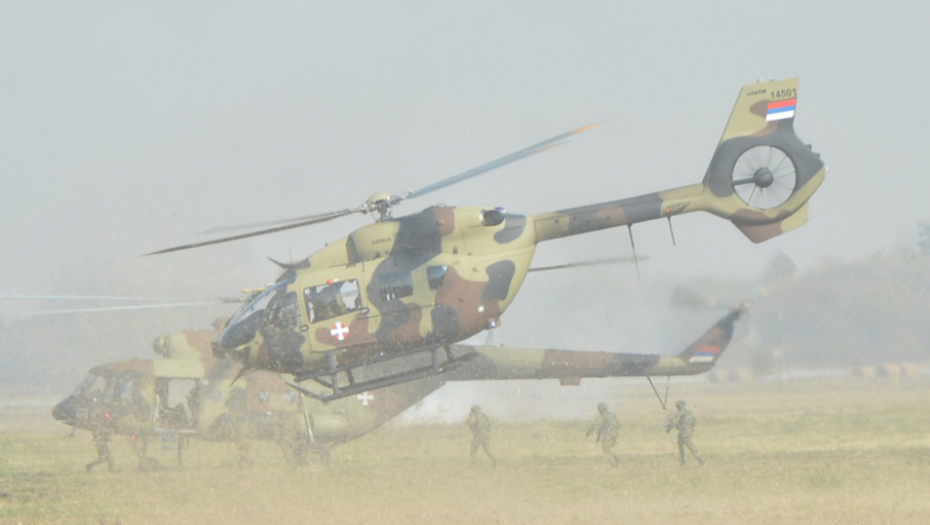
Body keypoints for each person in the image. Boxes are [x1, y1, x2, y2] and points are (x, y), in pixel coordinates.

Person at [665, 400, 705, 466]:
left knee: (689, 445)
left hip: (683, 430)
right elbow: (694, 422)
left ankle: (700, 460)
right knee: (681, 444)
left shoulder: (681, 412)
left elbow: (675, 421)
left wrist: (669, 427)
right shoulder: (689, 412)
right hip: (688, 431)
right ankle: (683, 461)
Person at [586, 402, 621, 467]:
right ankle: (617, 459)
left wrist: (590, 432)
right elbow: (618, 423)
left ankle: (614, 465)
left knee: (606, 451)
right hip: (614, 434)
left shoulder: (603, 417)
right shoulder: (611, 414)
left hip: (607, 435)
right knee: (610, 448)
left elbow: (596, 425)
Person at [86, 408, 116, 472]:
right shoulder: (103, 428)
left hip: (101, 443)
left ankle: (111, 469)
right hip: (101, 443)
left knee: (109, 458)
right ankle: (90, 465)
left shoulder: (102, 426)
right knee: (103, 458)